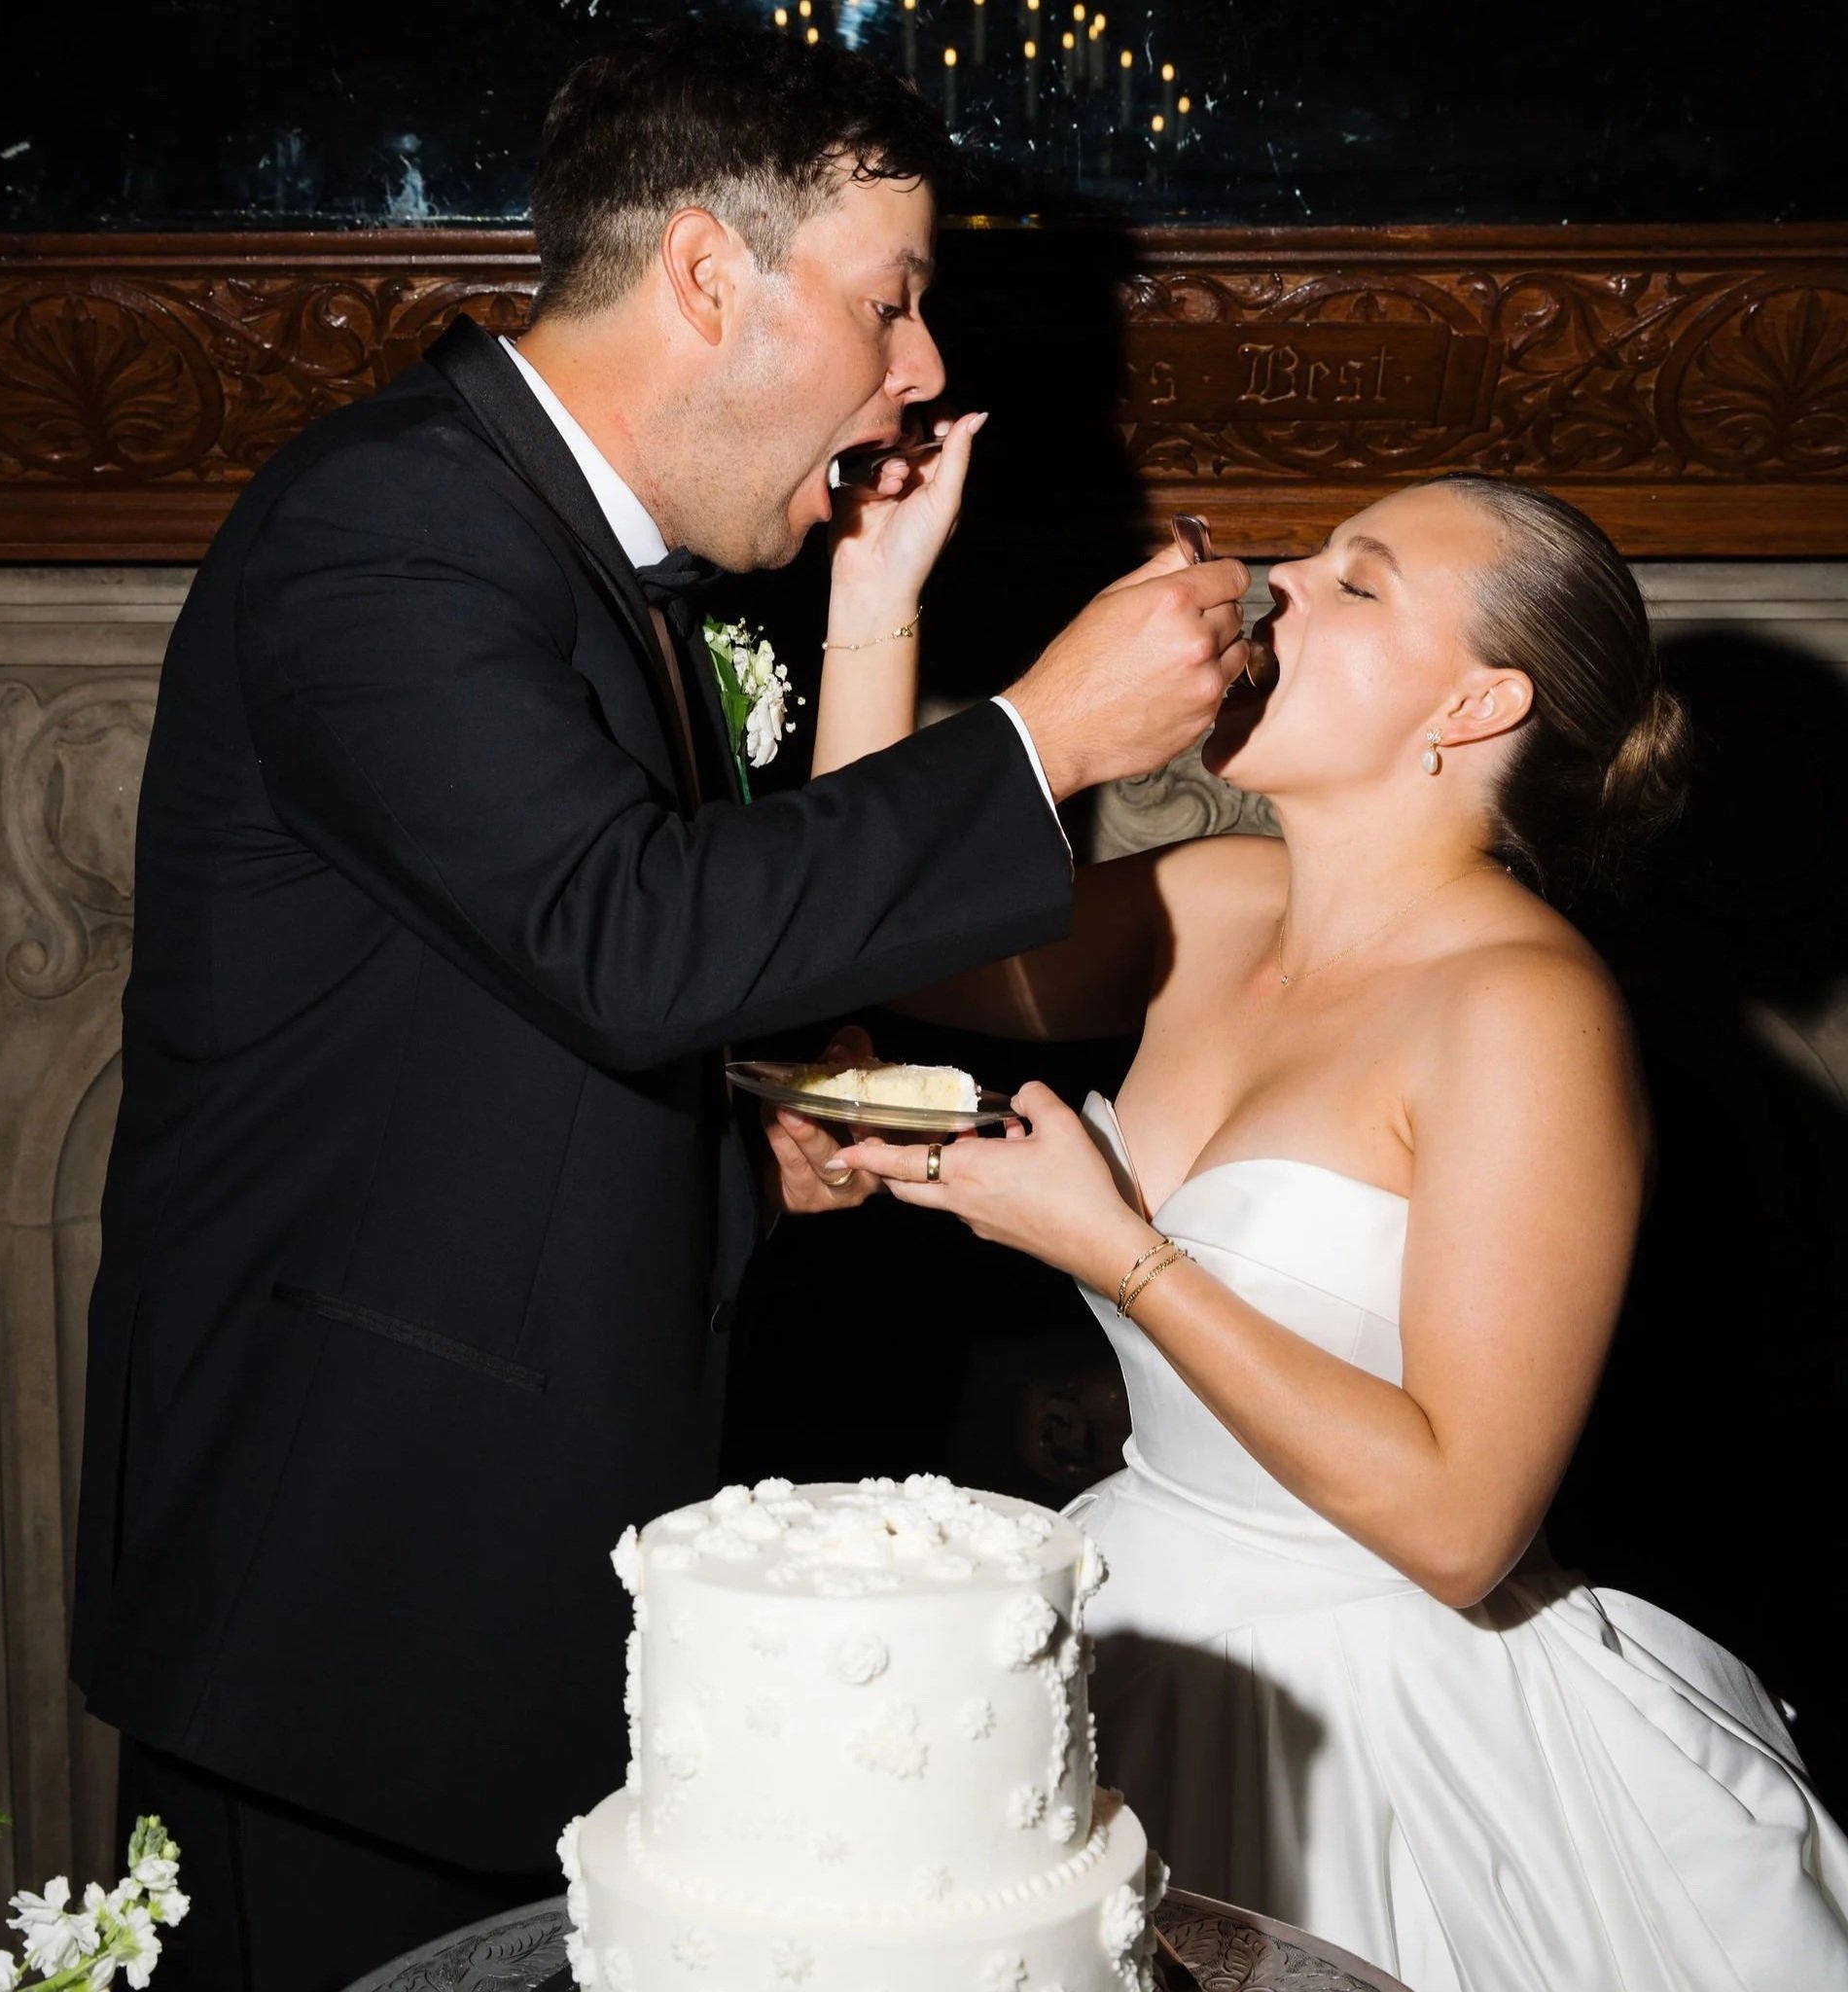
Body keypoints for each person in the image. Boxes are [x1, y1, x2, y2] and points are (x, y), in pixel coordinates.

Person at [69, 24, 1255, 1991]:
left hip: (520, 1549)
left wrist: (731, 1126)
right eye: (890, 302)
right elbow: (618, 931)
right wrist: (1043, 737)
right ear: (708, 271)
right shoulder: (387, 525)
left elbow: (522, 972)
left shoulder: (598, 554)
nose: (921, 370)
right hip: (358, 1574)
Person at [835, 475, 1848, 1988]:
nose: (1269, 585)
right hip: (1127, 1616)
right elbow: (859, 915)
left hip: (1389, 1710)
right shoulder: (1224, 897)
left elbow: (1459, 1528)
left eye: (1355, 582)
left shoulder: (1524, 1010)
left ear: (1478, 702)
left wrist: (1119, 1251)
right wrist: (874, 594)